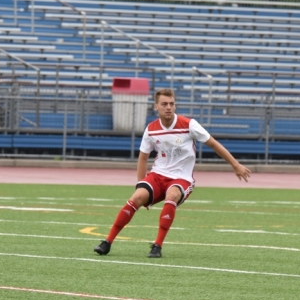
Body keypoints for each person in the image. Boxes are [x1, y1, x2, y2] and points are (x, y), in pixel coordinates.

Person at [94, 88, 251, 258]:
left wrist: (235, 165)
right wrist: (140, 185)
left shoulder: (189, 125)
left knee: (172, 195)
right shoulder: (151, 129)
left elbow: (213, 144)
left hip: (181, 178)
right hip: (158, 175)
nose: (168, 107)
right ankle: (108, 242)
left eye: (171, 104)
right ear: (156, 107)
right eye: (164, 104)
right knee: (136, 197)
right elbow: (143, 158)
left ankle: (157, 246)